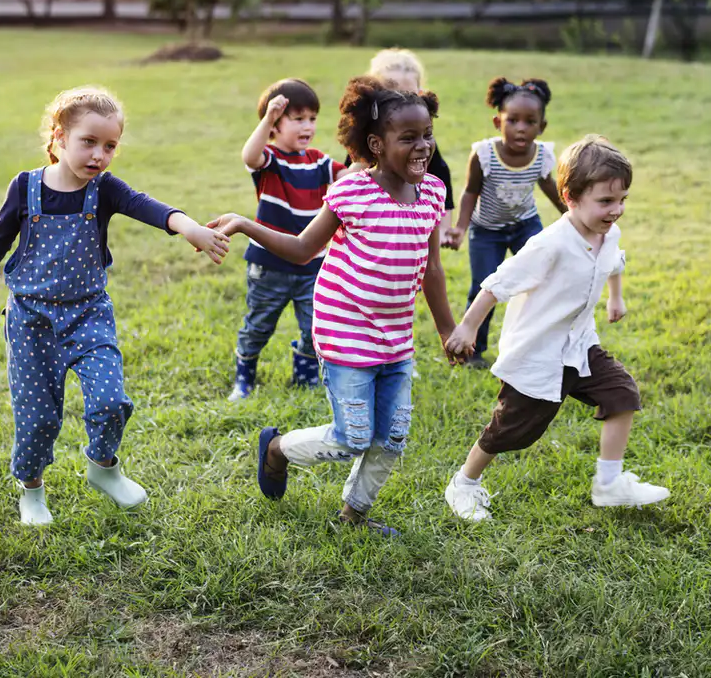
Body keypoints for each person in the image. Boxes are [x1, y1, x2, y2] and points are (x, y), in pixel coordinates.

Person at [0, 86, 230, 526]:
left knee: (110, 400)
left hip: (88, 316)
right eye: (89, 142)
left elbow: (147, 206)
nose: (99, 155)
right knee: (38, 417)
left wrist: (191, 228)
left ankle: (104, 467)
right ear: (59, 137)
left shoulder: (104, 190)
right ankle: (32, 491)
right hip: (32, 321)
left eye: (110, 146)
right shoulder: (25, 188)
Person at [211, 76, 458, 536]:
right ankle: (276, 450)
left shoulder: (433, 194)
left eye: (427, 134)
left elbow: (433, 270)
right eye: (408, 138)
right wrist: (246, 224)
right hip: (345, 332)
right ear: (375, 144)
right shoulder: (352, 193)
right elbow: (304, 249)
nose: (423, 146)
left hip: (395, 339)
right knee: (352, 438)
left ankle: (352, 517)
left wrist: (448, 332)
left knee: (393, 438)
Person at [442, 135, 670, 522]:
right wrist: (466, 328)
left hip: (580, 345)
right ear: (570, 197)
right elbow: (497, 284)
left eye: (622, 200)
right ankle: (463, 484)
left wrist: (616, 298)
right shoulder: (550, 245)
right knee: (512, 430)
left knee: (621, 394)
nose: (616, 211)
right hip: (539, 353)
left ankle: (609, 485)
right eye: (605, 201)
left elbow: (614, 261)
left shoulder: (606, 232)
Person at [230, 78, 348, 401]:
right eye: (297, 119)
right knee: (259, 325)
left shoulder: (320, 162)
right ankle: (244, 378)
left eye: (311, 118)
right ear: (275, 127)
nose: (306, 125)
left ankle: (305, 377)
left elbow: (350, 177)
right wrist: (266, 118)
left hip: (313, 265)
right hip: (269, 266)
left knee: (315, 327)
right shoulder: (270, 160)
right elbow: (249, 156)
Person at [442, 77, 567, 367]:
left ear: (542, 126)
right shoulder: (484, 154)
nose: (521, 128)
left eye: (530, 121)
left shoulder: (541, 155)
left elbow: (551, 189)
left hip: (526, 226)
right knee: (484, 287)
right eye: (513, 121)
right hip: (486, 232)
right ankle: (475, 348)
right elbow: (470, 192)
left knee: (539, 281)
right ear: (498, 122)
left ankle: (536, 344)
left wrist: (573, 215)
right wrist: (460, 227)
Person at [366, 48, 455, 242]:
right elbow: (348, 180)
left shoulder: (421, 143)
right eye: (391, 95)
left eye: (408, 95)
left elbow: (442, 179)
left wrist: (444, 228)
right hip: (376, 227)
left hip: (414, 228)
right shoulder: (369, 140)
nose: (400, 104)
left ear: (421, 95)